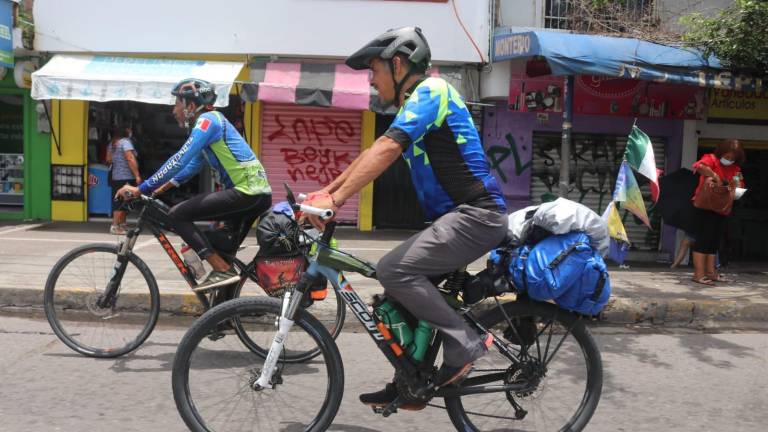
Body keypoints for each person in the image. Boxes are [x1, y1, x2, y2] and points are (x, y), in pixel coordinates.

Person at [302, 27, 508, 409]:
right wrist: (325, 194)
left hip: (476, 216)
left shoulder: (433, 92)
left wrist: (336, 200)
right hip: (454, 221)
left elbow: (386, 147)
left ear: (397, 65)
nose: (371, 81)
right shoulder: (413, 106)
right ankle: (412, 384)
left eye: (375, 71)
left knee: (393, 270)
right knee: (394, 302)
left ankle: (464, 343)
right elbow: (371, 153)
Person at [116, 78, 272, 291]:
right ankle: (224, 307)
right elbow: (191, 166)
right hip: (255, 195)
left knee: (177, 215)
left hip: (248, 192)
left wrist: (141, 188)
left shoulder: (208, 121)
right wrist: (160, 190)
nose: (173, 111)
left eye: (176, 104)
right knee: (223, 249)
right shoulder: (212, 124)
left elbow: (180, 159)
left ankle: (221, 269)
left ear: (190, 106)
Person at [690, 139, 746, 285]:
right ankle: (698, 274)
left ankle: (711, 273)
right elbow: (699, 166)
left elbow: (739, 185)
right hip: (704, 207)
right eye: (727, 156)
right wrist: (715, 176)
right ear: (721, 152)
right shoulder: (711, 159)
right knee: (703, 240)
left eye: (733, 158)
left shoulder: (735, 169)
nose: (729, 159)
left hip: (721, 209)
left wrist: (736, 185)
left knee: (713, 241)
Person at [105, 124, 141, 235]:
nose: (130, 131)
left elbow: (108, 159)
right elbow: (130, 158)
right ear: (125, 131)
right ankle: (115, 226)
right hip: (126, 176)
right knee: (122, 201)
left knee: (124, 200)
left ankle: (122, 224)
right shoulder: (125, 142)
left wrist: (118, 160)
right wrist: (137, 175)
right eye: (129, 130)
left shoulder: (112, 143)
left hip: (116, 176)